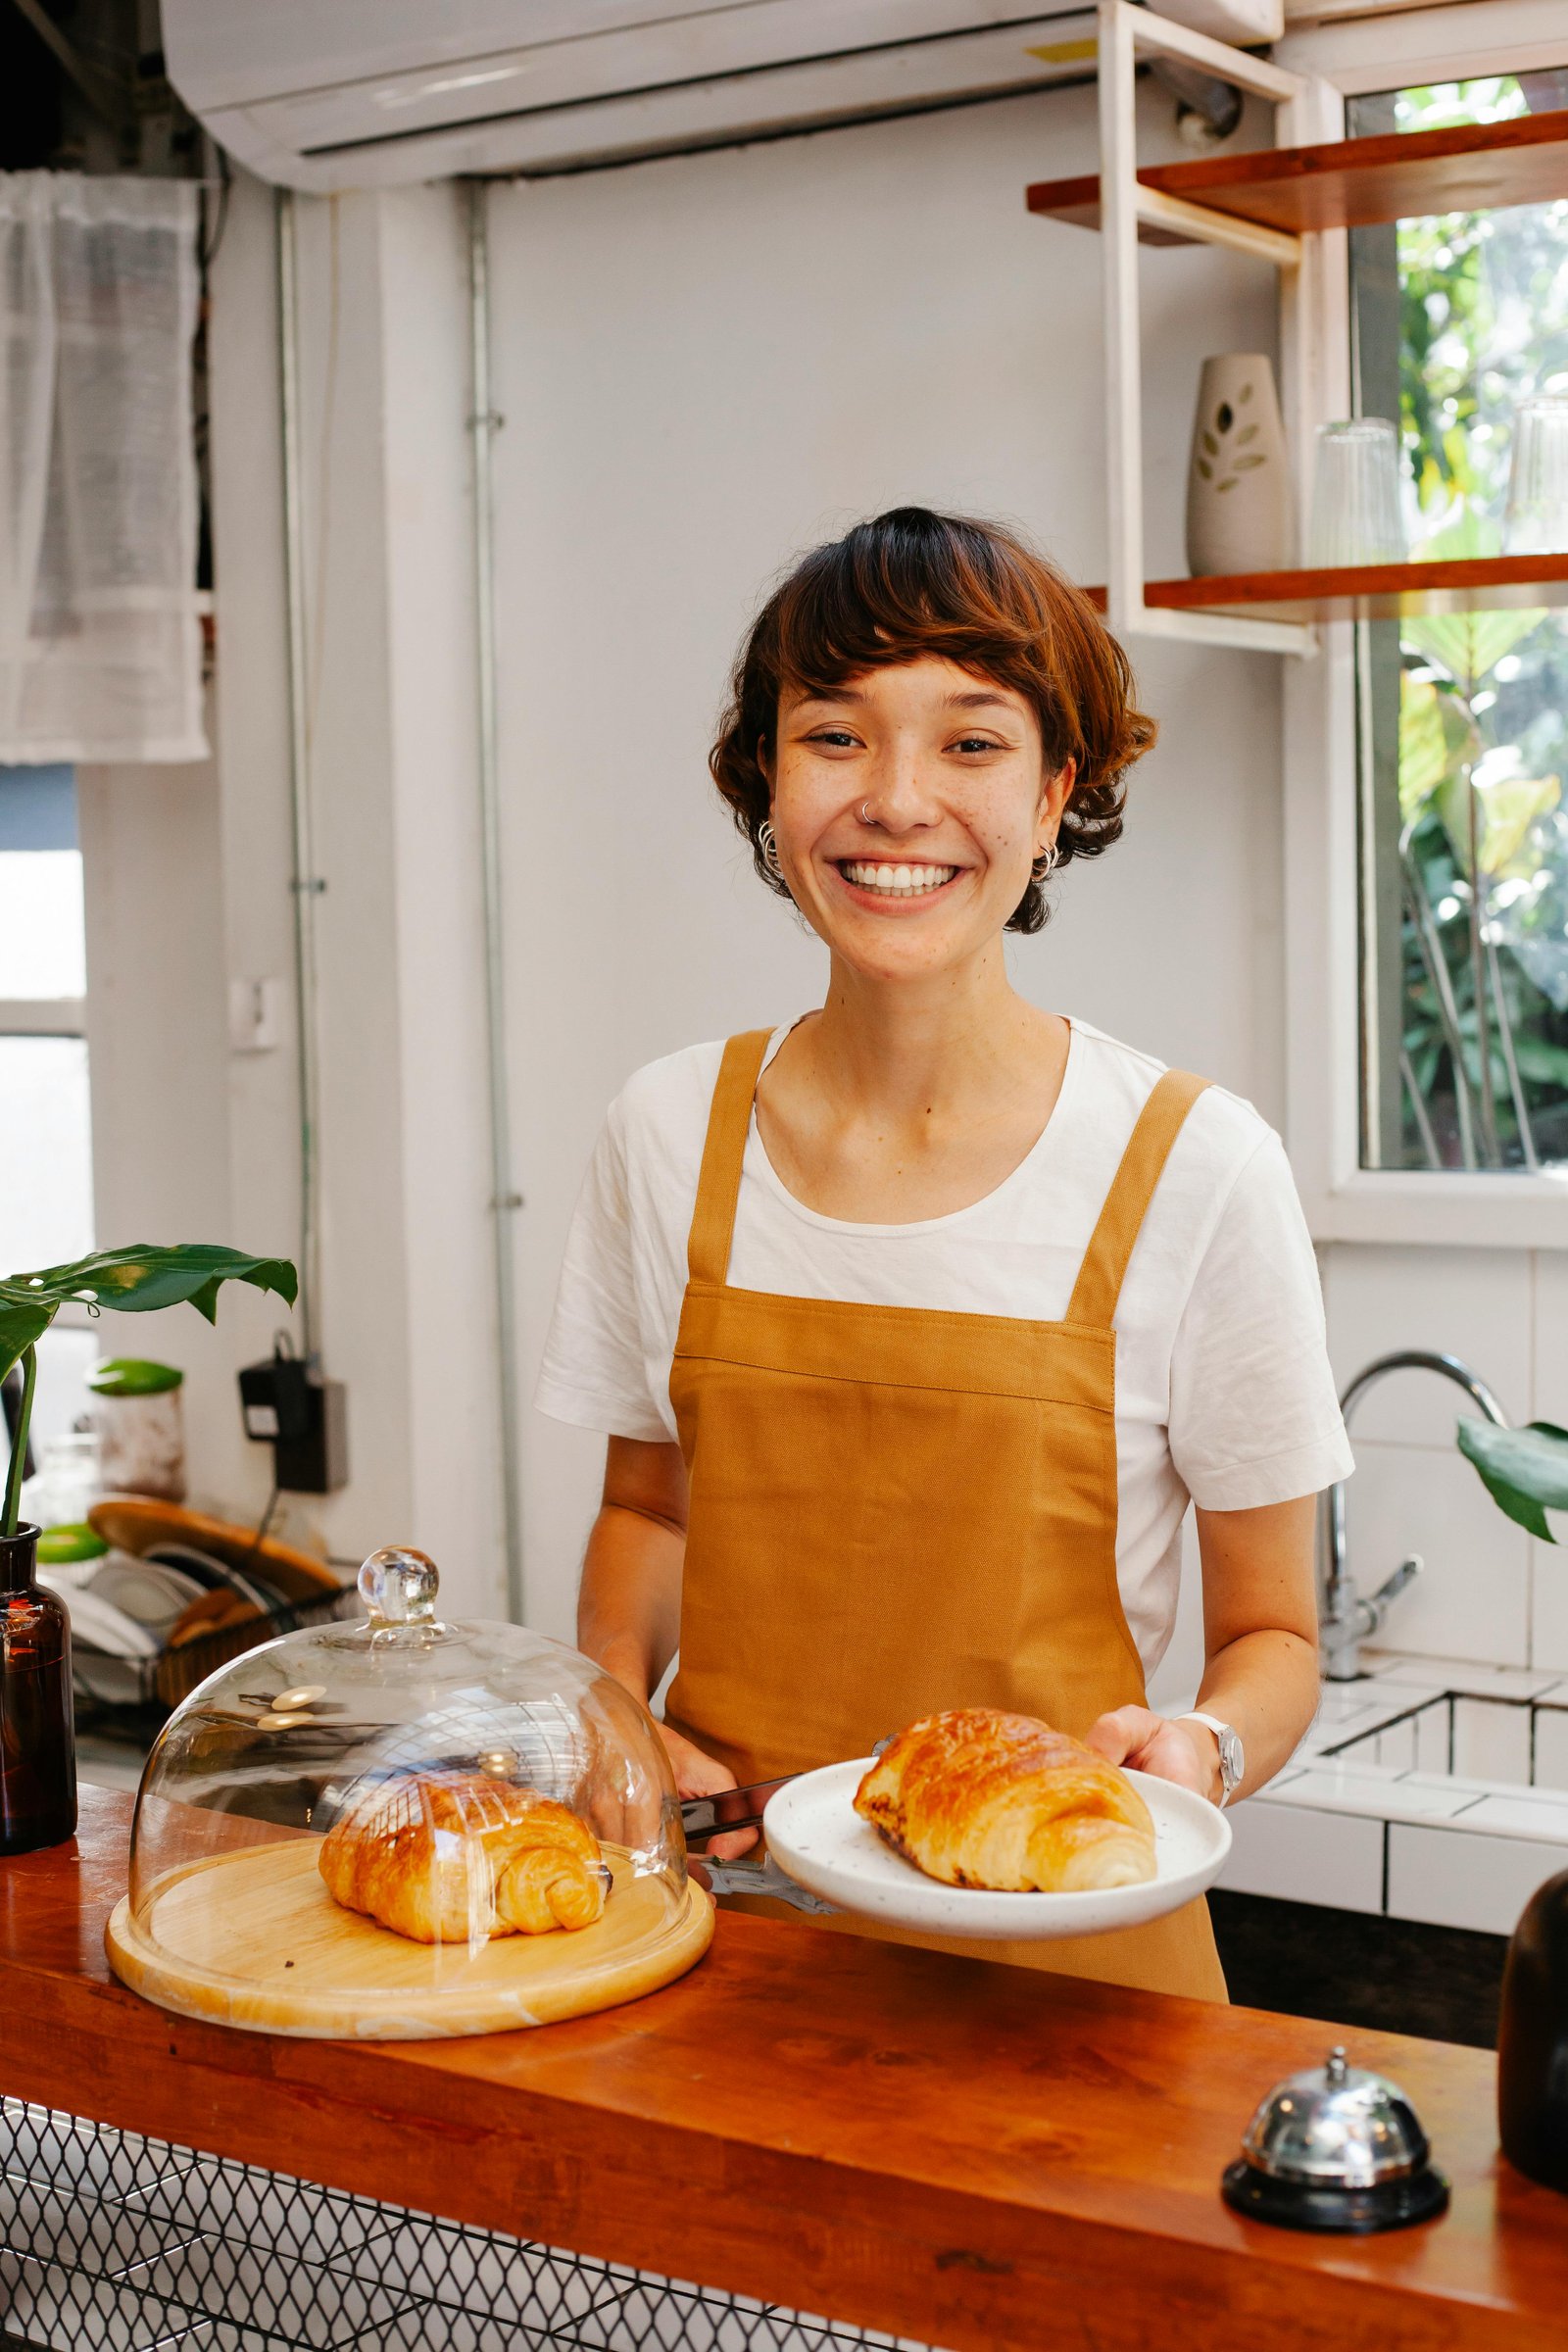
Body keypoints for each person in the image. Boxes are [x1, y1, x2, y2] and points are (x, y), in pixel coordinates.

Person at [536, 506, 1351, 1999]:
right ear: (765, 786)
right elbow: (646, 1515)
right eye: (835, 736)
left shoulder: (1194, 1166)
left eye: (971, 743)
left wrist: (1203, 1746)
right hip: (735, 1953)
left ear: (1058, 794)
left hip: (1078, 1974)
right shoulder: (666, 1132)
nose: (897, 800)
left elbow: (1275, 1631)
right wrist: (612, 1714)